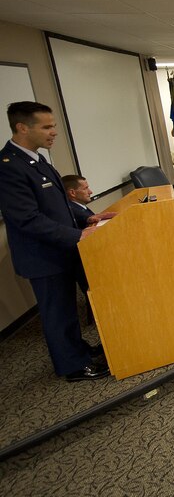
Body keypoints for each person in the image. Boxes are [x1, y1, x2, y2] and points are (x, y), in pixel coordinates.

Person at [0, 101, 108, 381]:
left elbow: (58, 202)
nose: (53, 132)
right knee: (57, 313)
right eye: (47, 127)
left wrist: (86, 218)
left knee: (68, 309)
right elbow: (28, 219)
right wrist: (77, 235)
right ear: (23, 127)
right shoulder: (9, 168)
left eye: (54, 126)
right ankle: (73, 366)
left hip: (62, 249)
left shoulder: (36, 159)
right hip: (43, 257)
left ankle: (77, 350)